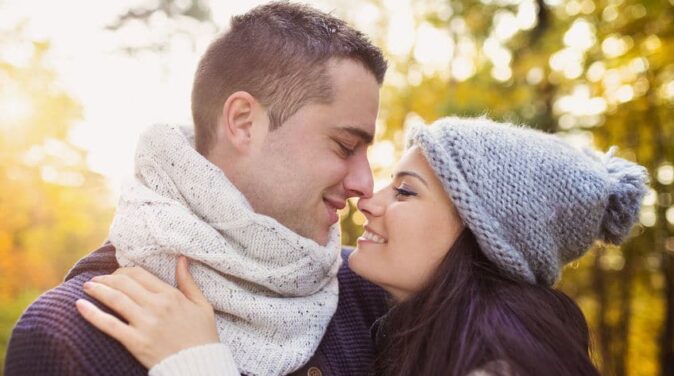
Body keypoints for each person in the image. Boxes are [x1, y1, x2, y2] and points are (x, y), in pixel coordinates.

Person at [78, 117, 648, 376]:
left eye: (405, 191)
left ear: (480, 238)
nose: (368, 199)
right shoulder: (414, 332)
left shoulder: (498, 369)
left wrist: (196, 367)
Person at [4, 3, 390, 375]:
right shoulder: (71, 337)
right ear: (243, 122)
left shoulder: (374, 298)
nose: (365, 184)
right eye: (344, 146)